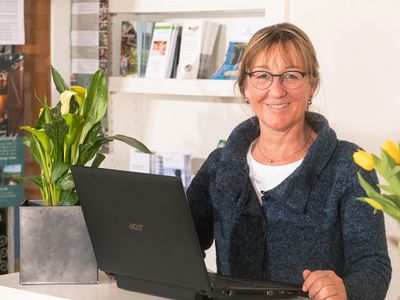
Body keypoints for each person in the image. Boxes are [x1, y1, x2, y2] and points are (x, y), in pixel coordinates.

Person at [186, 23, 391, 300]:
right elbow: (182, 243)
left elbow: (373, 265)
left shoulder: (349, 165)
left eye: (291, 76)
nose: (276, 90)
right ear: (245, 86)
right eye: (262, 76)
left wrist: (346, 289)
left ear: (312, 87)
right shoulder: (220, 164)